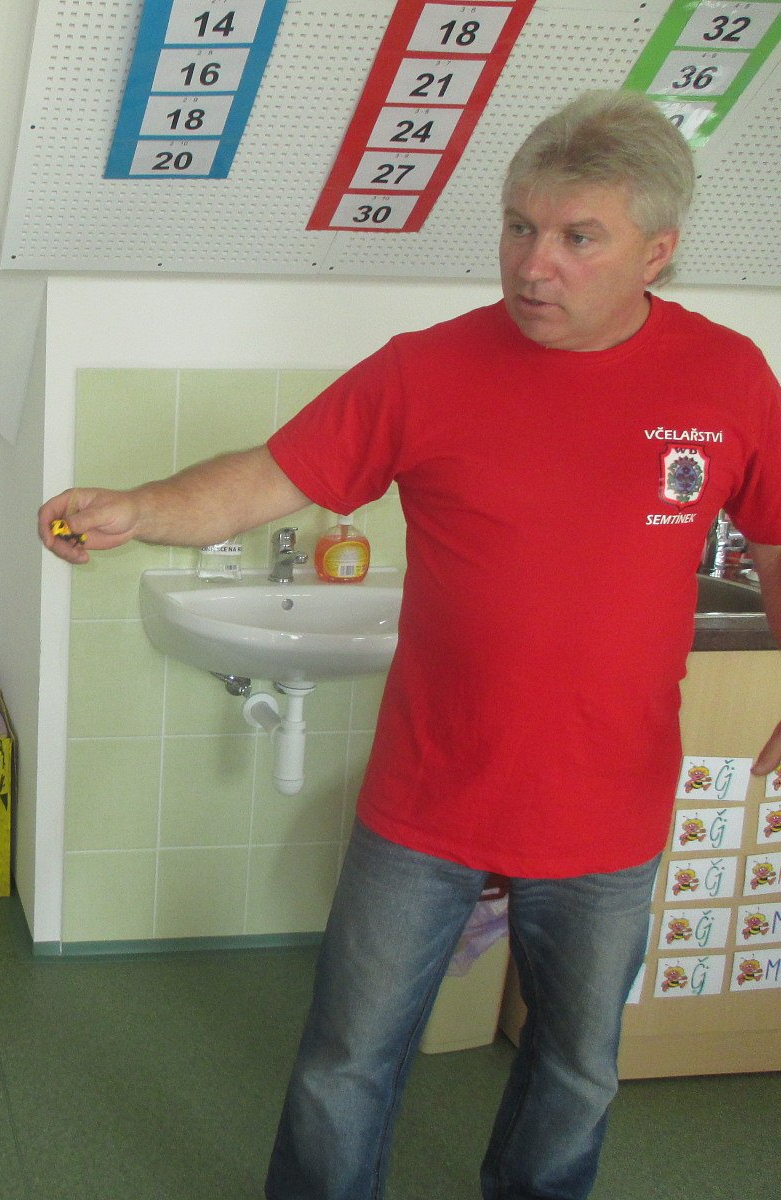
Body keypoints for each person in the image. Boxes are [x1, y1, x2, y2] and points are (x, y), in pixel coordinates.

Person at [38, 90, 781, 1199]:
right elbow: (266, 477)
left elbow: (774, 536)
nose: (533, 264)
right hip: (429, 795)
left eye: (578, 238)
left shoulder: (727, 378)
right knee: (347, 1059)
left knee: (576, 1067)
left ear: (656, 253)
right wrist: (140, 507)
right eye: (519, 226)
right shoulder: (427, 369)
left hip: (608, 800)